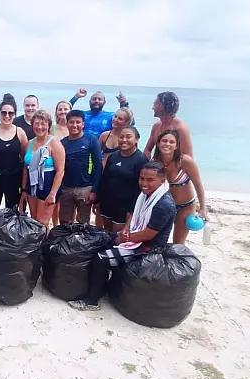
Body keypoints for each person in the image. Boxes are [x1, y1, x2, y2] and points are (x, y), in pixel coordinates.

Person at [69, 162, 177, 311]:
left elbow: (148, 234)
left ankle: (91, 301)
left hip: (148, 247)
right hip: (133, 235)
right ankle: (100, 285)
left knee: (101, 258)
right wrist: (125, 230)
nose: (144, 183)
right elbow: (132, 215)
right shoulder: (145, 195)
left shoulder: (164, 204)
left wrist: (124, 239)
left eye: (150, 180)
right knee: (101, 238)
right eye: (141, 178)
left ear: (162, 180)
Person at [153, 129, 207, 244]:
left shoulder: (186, 161)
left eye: (171, 142)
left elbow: (198, 185)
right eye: (164, 141)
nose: (167, 144)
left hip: (185, 206)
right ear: (158, 144)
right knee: (158, 241)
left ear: (176, 146)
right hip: (164, 206)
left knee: (178, 243)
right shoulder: (155, 163)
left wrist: (203, 208)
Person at [98, 126, 149, 232]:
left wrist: (133, 209)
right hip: (107, 203)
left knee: (118, 238)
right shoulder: (113, 156)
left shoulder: (141, 159)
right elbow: (104, 179)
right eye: (121, 137)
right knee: (107, 234)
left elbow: (141, 188)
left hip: (125, 207)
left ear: (136, 139)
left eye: (128, 137)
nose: (124, 140)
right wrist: (98, 200)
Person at [20, 109, 66, 228]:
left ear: (49, 126)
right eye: (36, 124)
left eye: (43, 124)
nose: (40, 127)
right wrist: (24, 189)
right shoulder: (29, 143)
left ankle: (45, 245)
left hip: (47, 186)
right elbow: (26, 167)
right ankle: (36, 246)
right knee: (34, 220)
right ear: (32, 125)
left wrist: (53, 193)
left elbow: (60, 171)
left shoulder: (54, 143)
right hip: (32, 185)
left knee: (43, 222)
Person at [58, 110, 102, 225]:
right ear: (67, 124)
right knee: (64, 221)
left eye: (78, 122)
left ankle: (82, 243)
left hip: (85, 188)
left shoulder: (91, 140)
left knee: (83, 222)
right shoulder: (62, 143)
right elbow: (59, 167)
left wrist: (94, 191)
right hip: (66, 187)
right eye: (71, 122)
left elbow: (98, 166)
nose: (75, 125)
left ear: (83, 124)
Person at [144, 91, 194, 159]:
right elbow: (148, 149)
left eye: (155, 104)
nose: (153, 108)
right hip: (157, 166)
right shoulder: (156, 126)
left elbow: (188, 157)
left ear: (161, 106)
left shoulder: (180, 129)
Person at [51, 100, 72, 225]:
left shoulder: (74, 127)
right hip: (55, 169)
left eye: (66, 109)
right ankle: (55, 226)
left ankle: (70, 225)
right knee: (56, 202)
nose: (63, 111)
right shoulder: (51, 128)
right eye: (60, 109)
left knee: (70, 203)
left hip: (71, 169)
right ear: (56, 112)